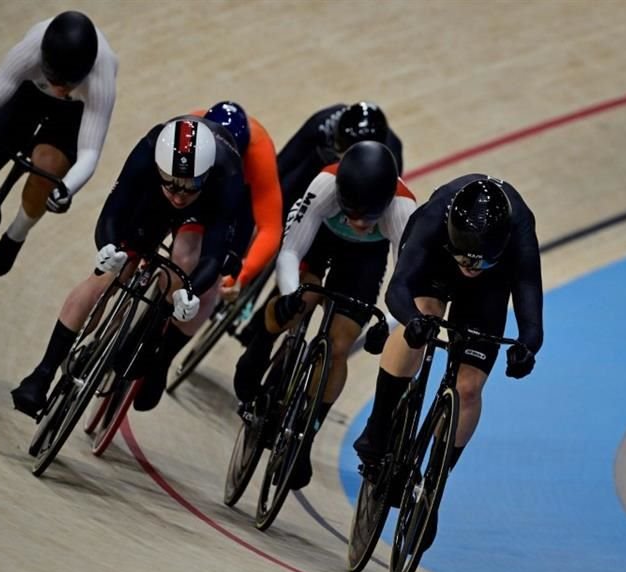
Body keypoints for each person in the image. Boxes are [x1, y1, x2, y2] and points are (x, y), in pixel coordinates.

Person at [11, 116, 247, 418]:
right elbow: (114, 209)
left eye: (189, 187)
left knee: (185, 261)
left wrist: (189, 290)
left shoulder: (227, 174)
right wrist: (109, 247)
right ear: (159, 168)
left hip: (201, 214)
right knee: (108, 275)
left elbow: (213, 256)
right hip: (150, 202)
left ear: (206, 174)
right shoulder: (150, 148)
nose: (178, 195)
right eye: (172, 184)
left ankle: (151, 335)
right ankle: (41, 374)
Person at [352, 175, 543, 548]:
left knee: (468, 387)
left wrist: (528, 345)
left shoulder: (519, 228)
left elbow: (529, 296)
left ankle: (434, 484)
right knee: (422, 313)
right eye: (467, 257)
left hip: (490, 287)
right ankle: (379, 428)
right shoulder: (434, 216)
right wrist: (415, 320)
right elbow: (399, 289)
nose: (472, 264)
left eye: (481, 258)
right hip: (437, 264)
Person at [233, 141, 416, 490]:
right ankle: (258, 350)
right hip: (321, 242)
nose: (360, 223)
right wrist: (289, 296)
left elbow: (406, 285)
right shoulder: (324, 186)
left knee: (338, 346)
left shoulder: (403, 210)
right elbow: (290, 252)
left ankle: (306, 436)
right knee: (302, 299)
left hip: (366, 260)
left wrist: (388, 326)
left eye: (369, 217)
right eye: (353, 213)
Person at [127, 100, 284, 411]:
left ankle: (162, 361)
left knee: (214, 278)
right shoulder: (186, 129)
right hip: (188, 187)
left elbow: (269, 229)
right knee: (176, 250)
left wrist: (240, 275)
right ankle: (138, 322)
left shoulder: (258, 151)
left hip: (231, 204)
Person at [0, 11, 117, 277]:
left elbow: (89, 152)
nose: (58, 89)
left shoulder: (102, 78)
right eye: (54, 80)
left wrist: (67, 188)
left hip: (72, 114)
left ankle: (17, 234)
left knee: (48, 167)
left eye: (66, 84)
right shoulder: (30, 50)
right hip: (27, 96)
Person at [235, 101, 403, 345]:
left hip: (346, 199)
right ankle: (248, 273)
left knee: (306, 260)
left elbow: (383, 202)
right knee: (277, 219)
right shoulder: (322, 125)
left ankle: (262, 322)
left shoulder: (390, 153)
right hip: (314, 176)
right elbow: (281, 166)